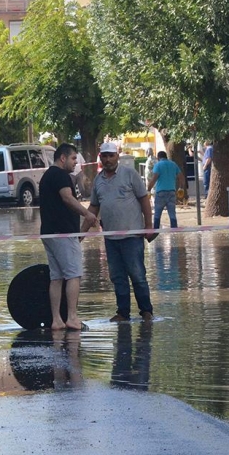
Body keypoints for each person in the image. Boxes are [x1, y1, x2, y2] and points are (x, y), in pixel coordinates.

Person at [83, 142, 157, 323]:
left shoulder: (130, 174)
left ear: (117, 156)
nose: (108, 159)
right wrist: (80, 234)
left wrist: (148, 226)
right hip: (110, 238)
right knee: (117, 277)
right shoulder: (98, 180)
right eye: (105, 156)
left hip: (132, 237)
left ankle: (146, 311)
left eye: (111, 155)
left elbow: (144, 200)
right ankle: (123, 313)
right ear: (100, 157)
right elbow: (93, 207)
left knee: (137, 275)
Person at [39, 143, 98, 331]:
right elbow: (67, 197)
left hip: (49, 233)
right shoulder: (60, 175)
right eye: (73, 158)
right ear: (62, 158)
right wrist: (87, 214)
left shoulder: (48, 175)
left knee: (56, 277)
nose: (75, 163)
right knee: (74, 275)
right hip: (63, 234)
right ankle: (72, 317)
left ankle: (57, 320)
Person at [147, 151, 184, 229]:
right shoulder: (173, 164)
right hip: (172, 192)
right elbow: (181, 177)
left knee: (157, 214)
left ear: (158, 158)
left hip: (160, 192)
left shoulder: (158, 165)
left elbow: (154, 179)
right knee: (172, 214)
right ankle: (174, 232)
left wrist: (148, 190)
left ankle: (156, 231)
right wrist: (181, 188)